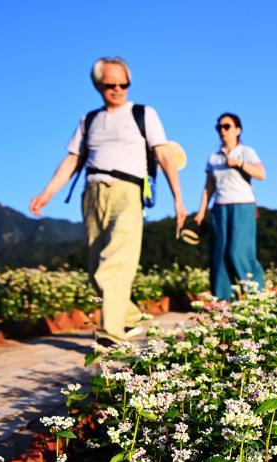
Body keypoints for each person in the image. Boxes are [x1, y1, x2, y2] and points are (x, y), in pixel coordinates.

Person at [30, 56, 187, 348]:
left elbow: (165, 156)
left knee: (113, 264)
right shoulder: (89, 120)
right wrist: (46, 193)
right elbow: (72, 160)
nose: (117, 89)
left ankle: (110, 335)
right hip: (92, 195)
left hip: (128, 192)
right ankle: (130, 317)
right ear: (98, 86)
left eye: (123, 84)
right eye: (110, 84)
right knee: (95, 270)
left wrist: (179, 199)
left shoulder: (143, 113)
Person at [194, 113, 266, 300]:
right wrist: (201, 211)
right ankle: (222, 298)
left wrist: (240, 164)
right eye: (219, 127)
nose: (222, 131)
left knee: (239, 250)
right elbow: (208, 187)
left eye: (227, 126)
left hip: (243, 204)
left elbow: (261, 174)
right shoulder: (213, 158)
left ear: (237, 130)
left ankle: (255, 293)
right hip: (219, 206)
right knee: (220, 251)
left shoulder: (246, 152)